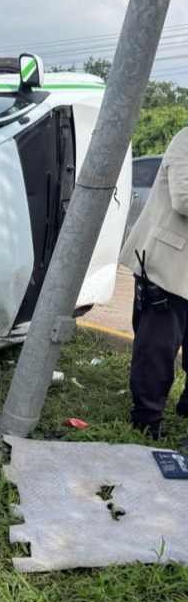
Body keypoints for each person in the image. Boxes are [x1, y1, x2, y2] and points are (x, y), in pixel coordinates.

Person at [121, 128, 188, 439]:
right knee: (157, 348)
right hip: (168, 265)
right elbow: (184, 199)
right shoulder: (186, 138)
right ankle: (147, 418)